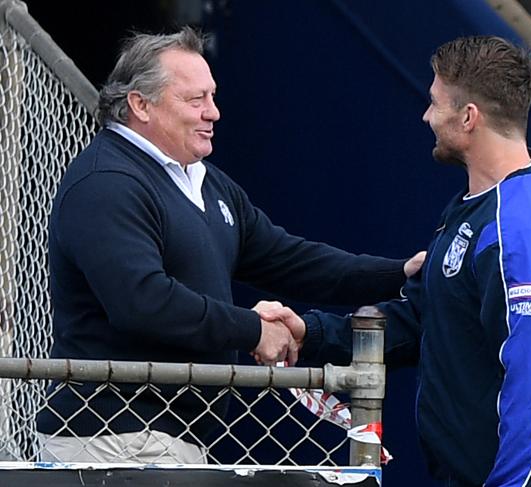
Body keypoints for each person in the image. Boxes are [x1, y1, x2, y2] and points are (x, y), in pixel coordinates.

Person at [36, 27, 424, 464]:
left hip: (170, 442)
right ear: (140, 105)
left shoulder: (205, 181)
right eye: (195, 100)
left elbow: (290, 260)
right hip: (115, 439)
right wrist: (254, 329)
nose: (214, 112)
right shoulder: (107, 183)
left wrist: (398, 273)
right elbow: (142, 301)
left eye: (212, 96)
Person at [261, 36, 531, 486]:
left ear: (468, 118)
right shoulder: (471, 209)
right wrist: (309, 333)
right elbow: (420, 322)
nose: (426, 115)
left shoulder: (522, 226)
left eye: (435, 103)